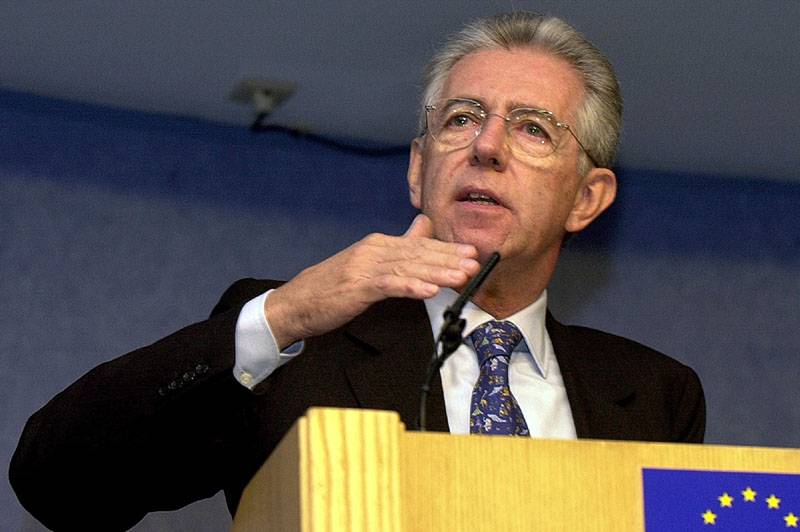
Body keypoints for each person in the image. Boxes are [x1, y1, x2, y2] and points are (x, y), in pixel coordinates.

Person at [10, 11, 705, 531]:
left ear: (587, 199)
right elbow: (58, 486)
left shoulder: (653, 394)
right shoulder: (300, 345)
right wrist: (282, 316)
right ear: (418, 169)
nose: (487, 146)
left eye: (531, 128)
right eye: (462, 119)